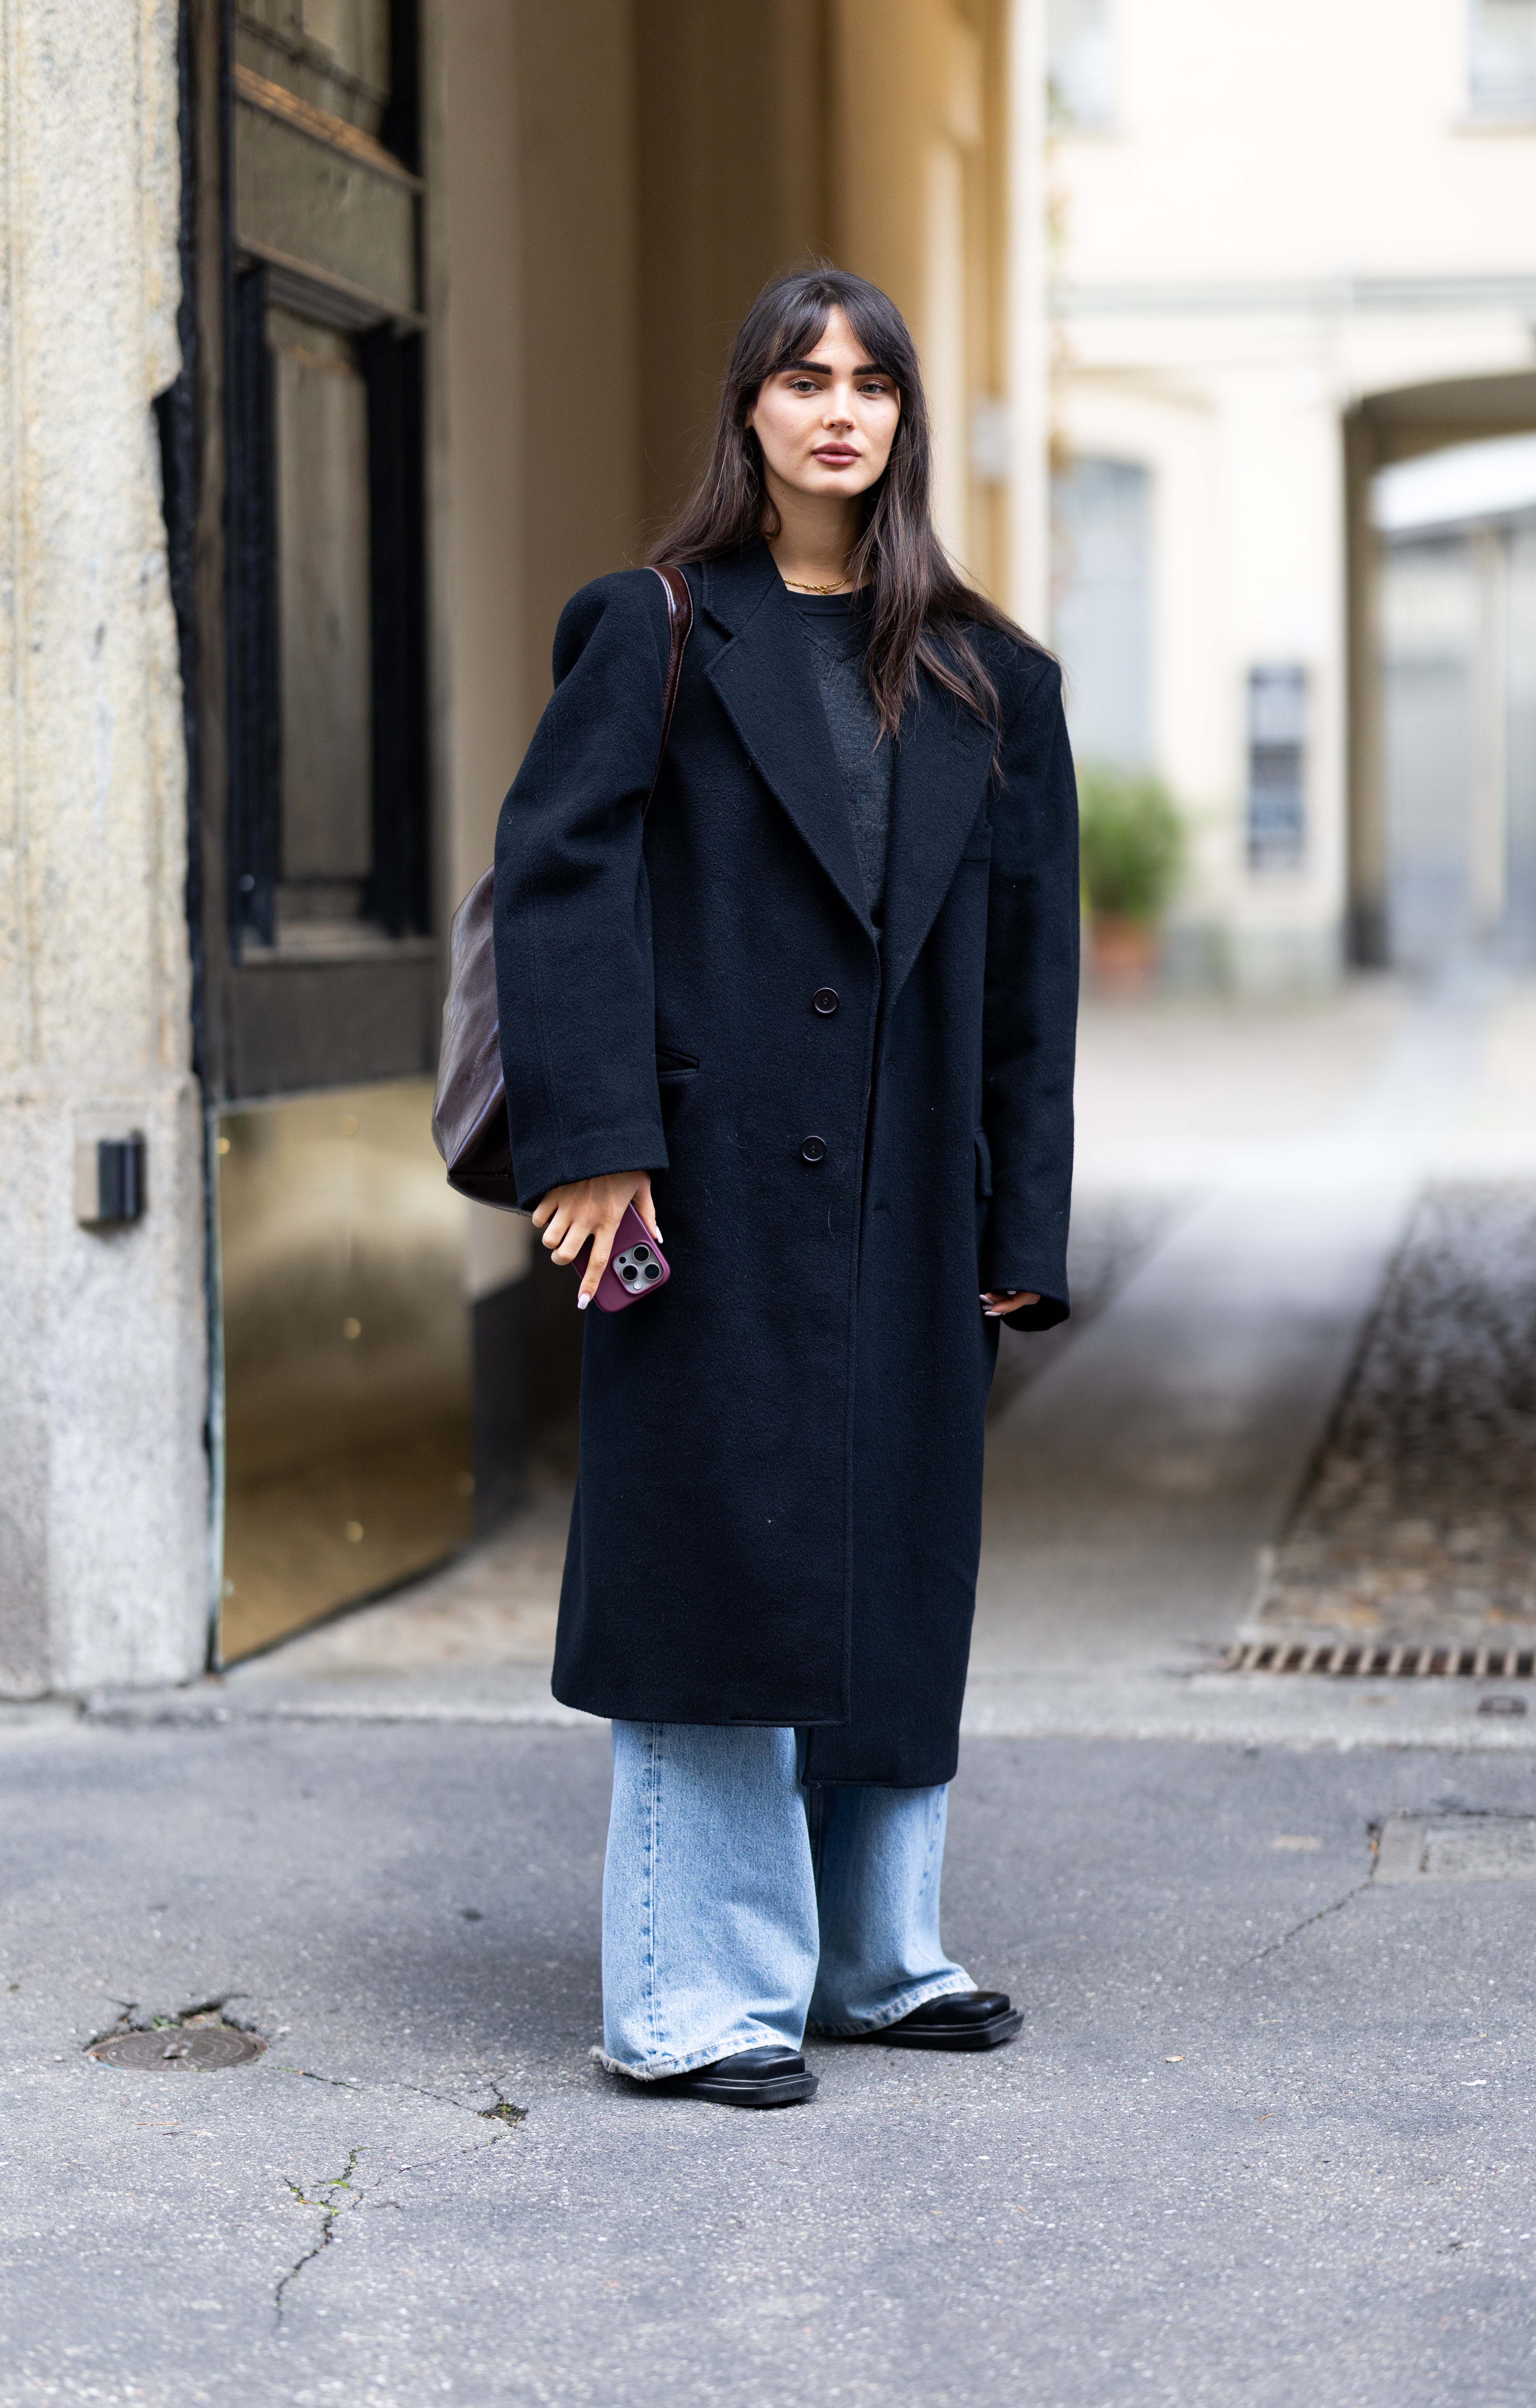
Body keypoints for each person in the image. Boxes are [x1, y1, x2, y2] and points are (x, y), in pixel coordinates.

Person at [493, 265, 1078, 2108]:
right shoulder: (653, 628)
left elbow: (1026, 980)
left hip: (907, 1200)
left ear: (904, 421)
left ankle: (873, 1956)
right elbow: (557, 878)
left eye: (871, 383)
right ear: (747, 410)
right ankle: (694, 1998)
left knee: (894, 1567)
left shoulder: (996, 675)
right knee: (715, 1575)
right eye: (799, 378)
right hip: (703, 1193)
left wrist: (1016, 1230)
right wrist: (593, 1136)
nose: (837, 409)